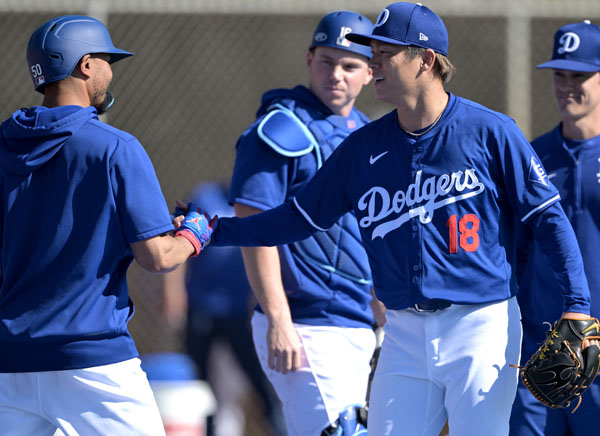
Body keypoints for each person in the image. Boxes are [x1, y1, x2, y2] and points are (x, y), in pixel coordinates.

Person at [189, 3, 596, 436]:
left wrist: (577, 305)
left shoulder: (490, 131)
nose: (375, 63)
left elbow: (548, 221)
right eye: (374, 53)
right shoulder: (363, 146)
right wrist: (214, 230)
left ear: (425, 60)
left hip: (479, 325)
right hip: (403, 332)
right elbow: (298, 219)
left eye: (386, 53)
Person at [0, 15, 205, 436]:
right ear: (86, 64)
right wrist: (194, 233)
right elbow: (158, 258)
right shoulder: (115, 147)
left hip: (9, 362)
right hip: (91, 362)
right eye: (107, 61)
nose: (110, 72)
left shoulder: (4, 146)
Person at [227, 10, 384, 436]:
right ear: (309, 59)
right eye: (327, 61)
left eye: (349, 65)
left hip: (357, 322)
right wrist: (279, 318)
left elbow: (370, 230)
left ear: (370, 73)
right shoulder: (280, 130)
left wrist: (384, 307)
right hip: (305, 324)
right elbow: (253, 227)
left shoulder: (368, 133)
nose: (336, 75)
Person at [509, 21, 600, 436]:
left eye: (579, 76)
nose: (566, 86)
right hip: (540, 355)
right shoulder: (535, 157)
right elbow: (516, 251)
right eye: (559, 75)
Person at [159, 181, 284, 436]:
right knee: (200, 383)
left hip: (238, 311)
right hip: (201, 307)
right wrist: (173, 290)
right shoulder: (205, 195)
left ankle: (280, 429)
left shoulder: (257, 200)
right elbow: (178, 240)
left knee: (259, 381)